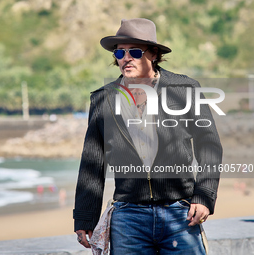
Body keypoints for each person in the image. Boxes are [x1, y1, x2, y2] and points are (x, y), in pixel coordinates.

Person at [73, 18, 222, 254]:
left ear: (153, 53)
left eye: (134, 51)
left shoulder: (184, 89)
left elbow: (209, 145)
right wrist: (84, 217)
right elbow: (93, 161)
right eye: (119, 53)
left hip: (179, 214)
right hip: (128, 216)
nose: (125, 58)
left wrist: (204, 196)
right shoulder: (103, 99)